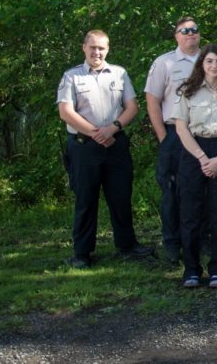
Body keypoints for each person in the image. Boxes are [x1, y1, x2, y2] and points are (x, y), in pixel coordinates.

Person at [57, 30, 152, 268]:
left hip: (115, 145)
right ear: (84, 48)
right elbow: (66, 112)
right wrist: (96, 133)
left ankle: (127, 245)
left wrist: (113, 128)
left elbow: (132, 107)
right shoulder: (72, 76)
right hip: (83, 147)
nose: (97, 52)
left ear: (107, 49)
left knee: (121, 197)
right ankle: (82, 253)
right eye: (92, 47)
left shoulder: (119, 74)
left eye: (101, 48)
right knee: (85, 200)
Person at [174, 44, 217, 288]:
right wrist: (203, 159)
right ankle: (191, 270)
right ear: (201, 64)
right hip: (193, 153)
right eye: (209, 61)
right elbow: (181, 128)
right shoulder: (188, 91)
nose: (214, 66)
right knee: (190, 215)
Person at [145, 16, 201, 263]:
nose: (190, 33)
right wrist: (163, 138)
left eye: (194, 30)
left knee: (201, 190)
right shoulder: (164, 63)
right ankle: (171, 243)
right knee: (171, 191)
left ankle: (202, 240)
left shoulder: (210, 60)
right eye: (184, 30)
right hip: (174, 135)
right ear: (176, 36)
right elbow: (152, 101)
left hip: (204, 134)